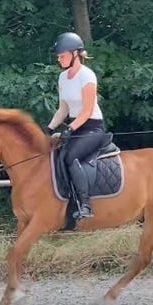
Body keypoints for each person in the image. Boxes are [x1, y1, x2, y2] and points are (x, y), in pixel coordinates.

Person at [46, 31, 106, 219]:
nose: (59, 59)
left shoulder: (87, 76)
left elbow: (87, 110)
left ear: (75, 54)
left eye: (62, 56)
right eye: (58, 56)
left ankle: (85, 205)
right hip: (75, 127)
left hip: (92, 128)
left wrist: (70, 129)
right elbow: (63, 108)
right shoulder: (63, 78)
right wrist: (48, 129)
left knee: (70, 156)